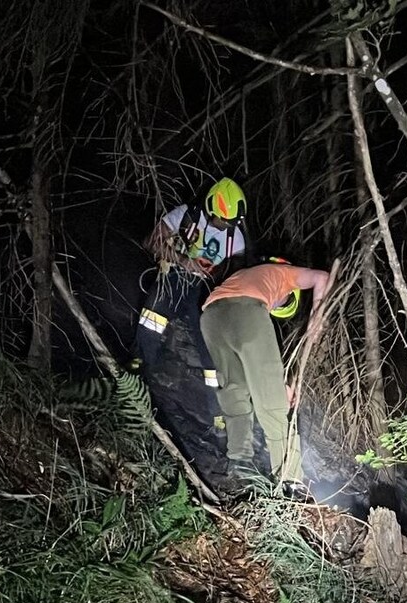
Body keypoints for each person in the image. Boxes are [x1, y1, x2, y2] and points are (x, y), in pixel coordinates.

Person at [199, 260, 329, 495]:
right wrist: (316, 318)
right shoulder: (286, 274)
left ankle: (239, 463)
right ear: (288, 295)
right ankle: (290, 479)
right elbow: (322, 276)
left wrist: (281, 385)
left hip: (210, 317)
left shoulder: (245, 274)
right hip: (246, 310)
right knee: (272, 403)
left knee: (234, 390)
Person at [134, 178, 251, 395]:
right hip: (176, 277)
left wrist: (217, 275)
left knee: (209, 341)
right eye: (223, 221)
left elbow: (238, 276)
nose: (226, 226)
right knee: (151, 319)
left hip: (207, 290)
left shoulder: (235, 238)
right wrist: (184, 260)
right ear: (210, 208)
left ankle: (217, 408)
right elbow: (151, 242)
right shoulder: (187, 216)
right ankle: (137, 375)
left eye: (231, 223)